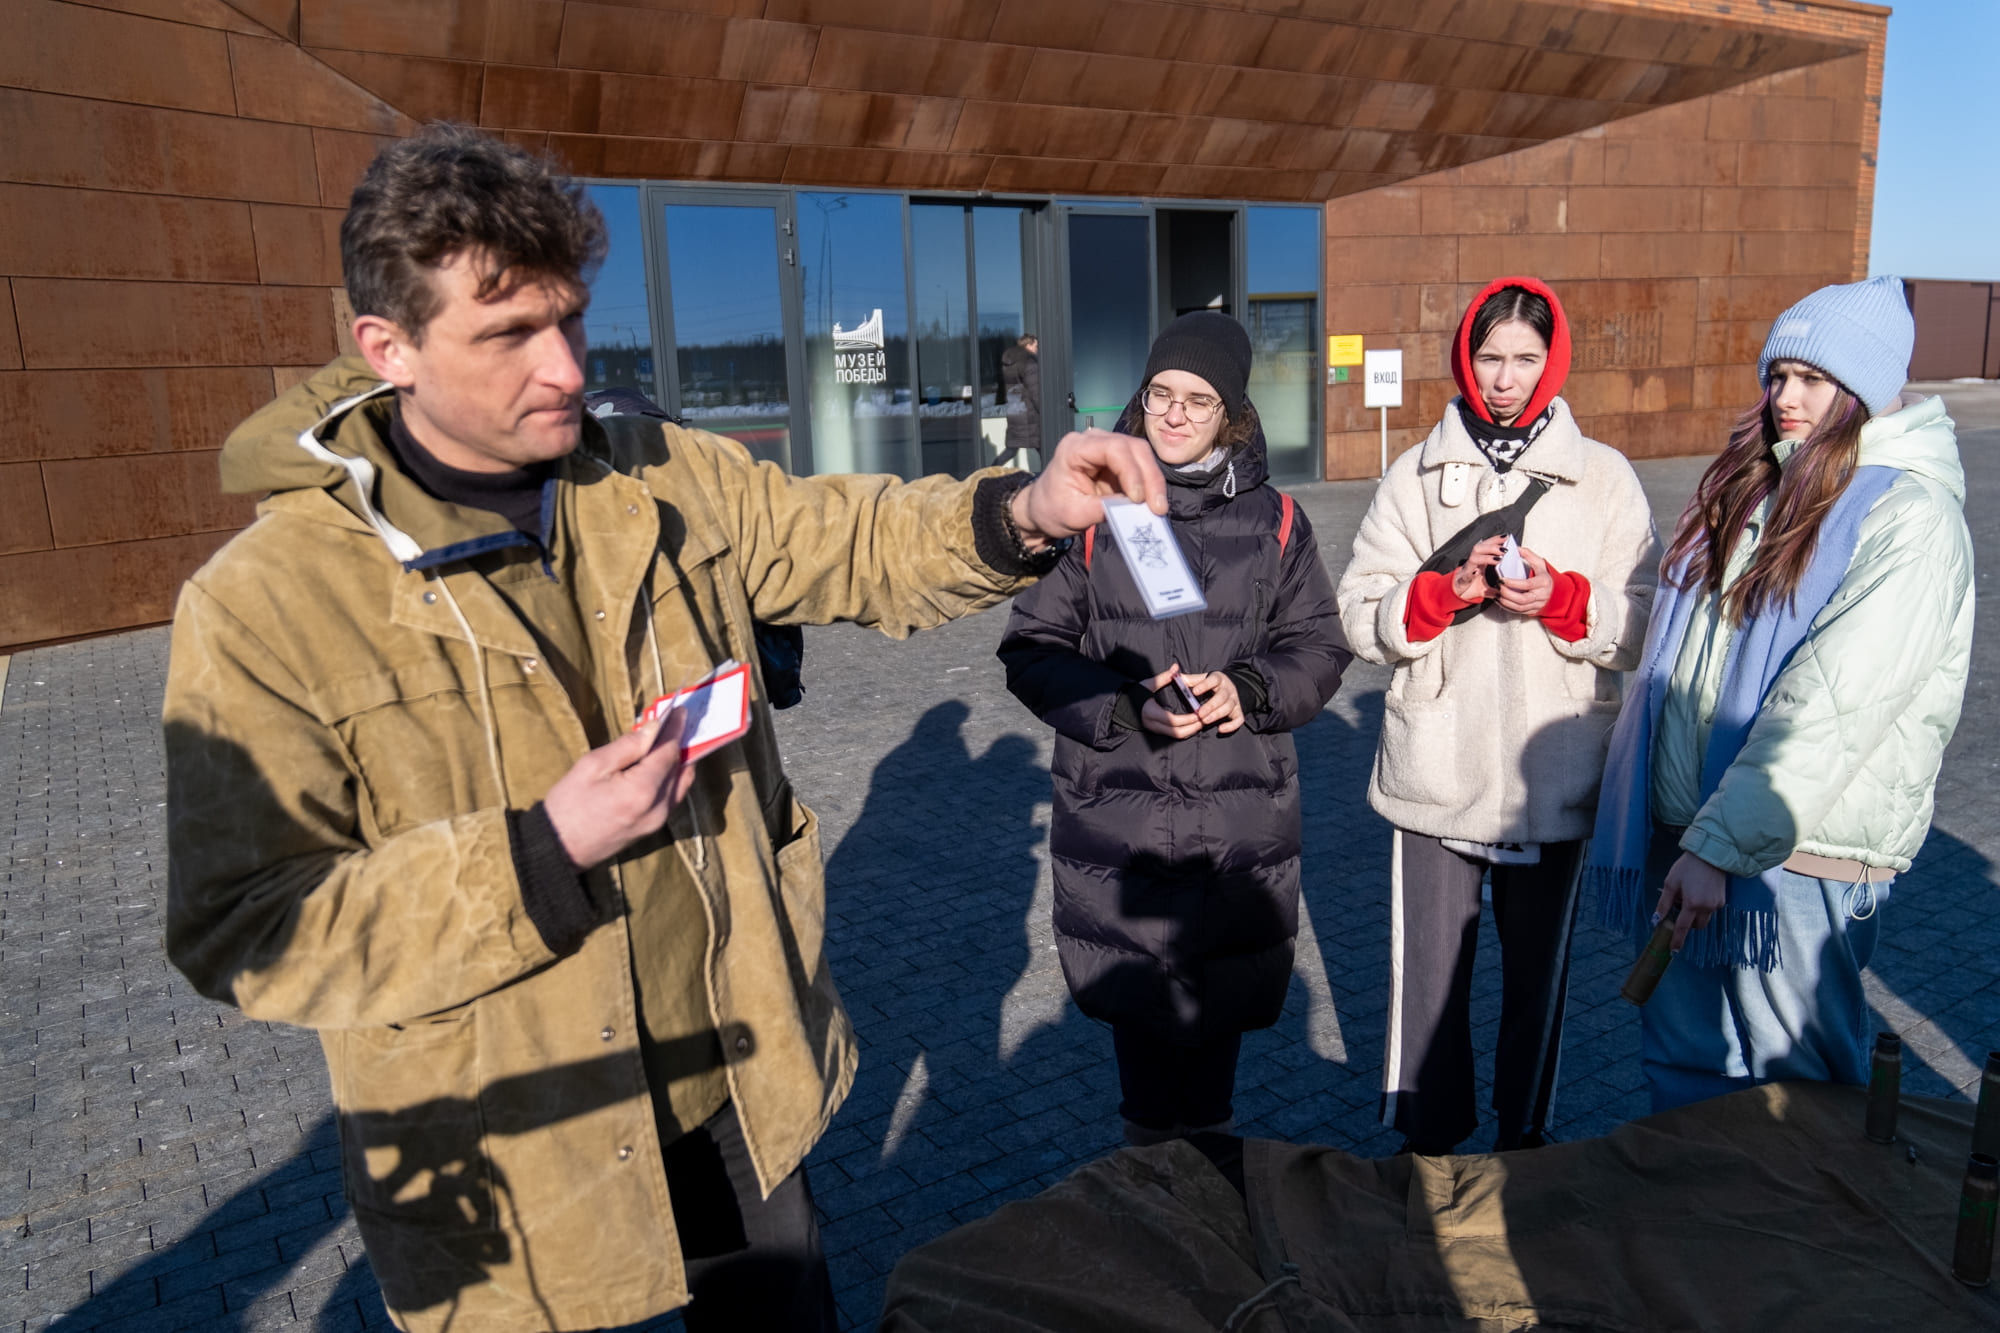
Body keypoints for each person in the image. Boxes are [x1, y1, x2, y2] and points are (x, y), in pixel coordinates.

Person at [160, 124, 1164, 1333]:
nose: (565, 370)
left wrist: (1028, 509)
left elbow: (850, 539)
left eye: (570, 321)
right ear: (388, 349)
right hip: (520, 1155)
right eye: (507, 335)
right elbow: (245, 925)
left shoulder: (654, 475)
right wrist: (538, 851)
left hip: (738, 1079)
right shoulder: (265, 603)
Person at [1585, 276, 1974, 1112]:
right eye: (1778, 375)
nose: (1785, 397)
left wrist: (1720, 848)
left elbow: (1829, 708)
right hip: (1696, 828)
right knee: (1687, 1067)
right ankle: (1695, 1235)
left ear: (1864, 387)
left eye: (1813, 379)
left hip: (1799, 849)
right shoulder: (1759, 485)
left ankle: (1804, 1245)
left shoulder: (1910, 515)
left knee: (1797, 1087)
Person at [998, 312, 1351, 1146]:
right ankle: (1153, 1238)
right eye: (1161, 394)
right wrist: (1124, 707)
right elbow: (1031, 648)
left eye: (1199, 399)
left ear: (1231, 412)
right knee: (1148, 1100)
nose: (1176, 414)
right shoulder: (1094, 514)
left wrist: (1251, 688)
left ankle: (1218, 1235)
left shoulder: (1279, 522)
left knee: (1216, 1093)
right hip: (1123, 825)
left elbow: (1321, 646)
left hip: (1238, 828)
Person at [1337, 277, 1661, 1155]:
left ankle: (1525, 1140)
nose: (1507, 378)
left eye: (1525, 358)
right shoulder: (1417, 472)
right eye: (1491, 357)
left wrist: (1561, 596)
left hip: (1548, 770)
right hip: (1435, 762)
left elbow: (1642, 621)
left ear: (1553, 361)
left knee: (1537, 980)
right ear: (1465, 358)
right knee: (1429, 983)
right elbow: (1359, 607)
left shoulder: (1605, 479)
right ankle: (1429, 1145)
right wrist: (1442, 593)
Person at [998, 333, 1040, 468]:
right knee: (1044, 449)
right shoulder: (1029, 362)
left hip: (1015, 411)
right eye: (1035, 346)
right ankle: (1048, 482)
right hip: (1029, 414)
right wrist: (1044, 409)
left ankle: (987, 473)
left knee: (1011, 449)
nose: (1037, 349)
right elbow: (1036, 392)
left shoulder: (1008, 363)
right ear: (1028, 345)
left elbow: (1004, 389)